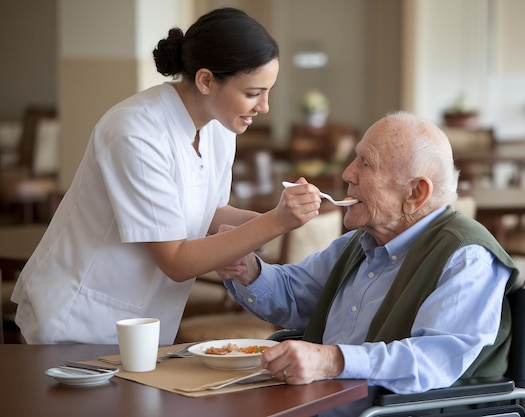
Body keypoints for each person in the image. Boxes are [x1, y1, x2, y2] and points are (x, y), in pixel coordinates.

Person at [11, 8, 321, 344]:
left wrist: (281, 220)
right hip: (79, 320)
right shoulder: (136, 132)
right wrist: (275, 222)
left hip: (143, 322)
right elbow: (176, 260)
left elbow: (210, 214)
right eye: (252, 93)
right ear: (205, 80)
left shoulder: (219, 128)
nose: (264, 107)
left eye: (267, 92)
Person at [217, 111, 520, 417]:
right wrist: (248, 270)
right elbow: (295, 296)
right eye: (355, 158)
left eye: (366, 164)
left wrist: (331, 360)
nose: (348, 174)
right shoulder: (362, 241)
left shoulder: (467, 257)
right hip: (313, 405)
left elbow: (432, 361)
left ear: (416, 192)